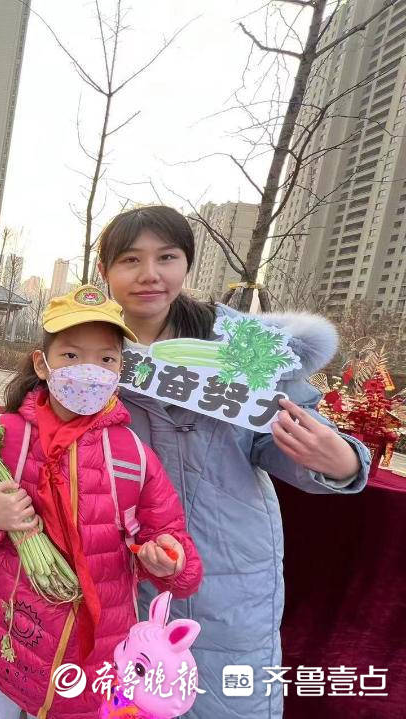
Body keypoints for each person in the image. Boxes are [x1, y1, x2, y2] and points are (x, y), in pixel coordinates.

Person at [95, 205, 371, 718]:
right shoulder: (87, 345)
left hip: (226, 568)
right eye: (130, 259)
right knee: (124, 697)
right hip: (116, 568)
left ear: (188, 264)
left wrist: (339, 462)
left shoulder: (241, 345)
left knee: (225, 701)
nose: (150, 274)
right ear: (105, 272)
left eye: (167, 257)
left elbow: (286, 436)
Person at [0, 286, 204, 718]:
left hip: (93, 651)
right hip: (6, 631)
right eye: (71, 356)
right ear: (42, 362)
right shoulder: (2, 435)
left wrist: (169, 559)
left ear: (119, 369)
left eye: (106, 359)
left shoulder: (132, 456)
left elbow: (176, 551)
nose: (89, 370)